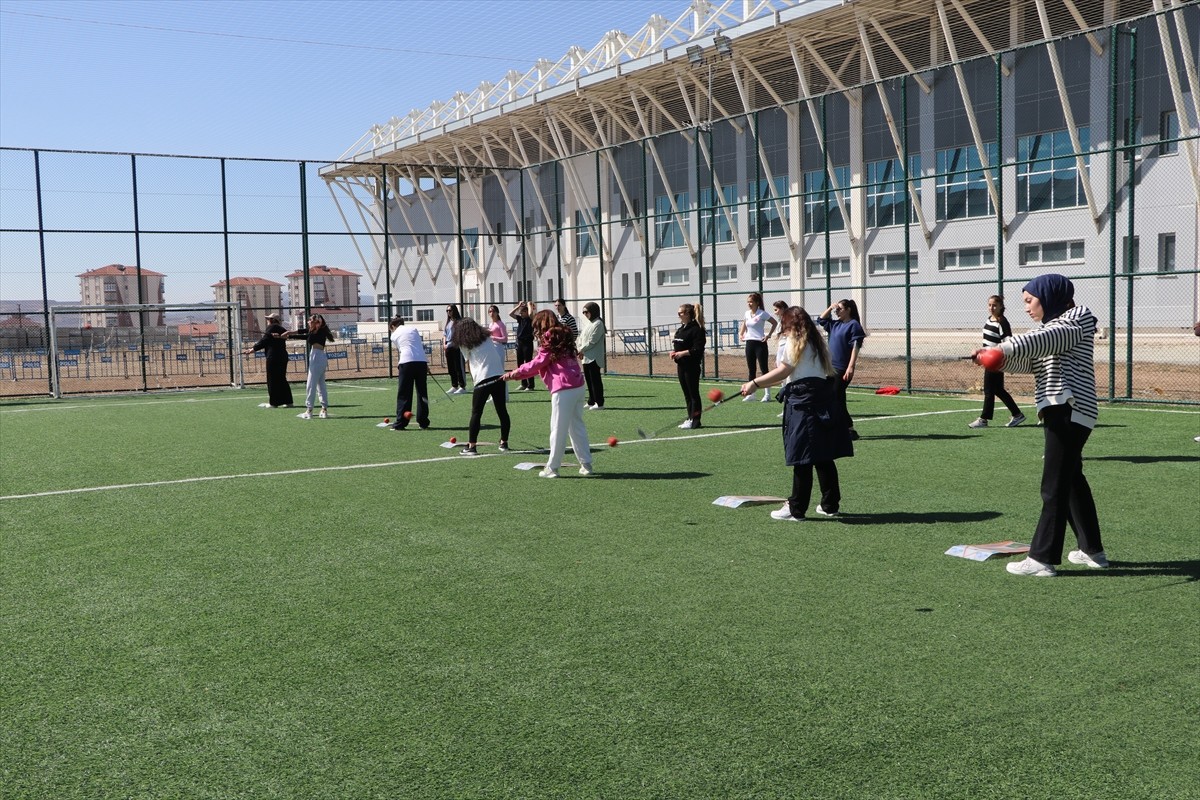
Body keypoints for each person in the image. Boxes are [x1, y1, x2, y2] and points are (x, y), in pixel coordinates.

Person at [973, 274, 1107, 577]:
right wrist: (994, 361)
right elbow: (1031, 361)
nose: (1026, 308)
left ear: (1048, 297)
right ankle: (1092, 551)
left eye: (1030, 301)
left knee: (1054, 486)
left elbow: (1041, 340)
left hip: (1068, 409)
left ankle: (1042, 559)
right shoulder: (1052, 329)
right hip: (1064, 411)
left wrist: (1003, 347)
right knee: (1071, 480)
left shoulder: (1076, 319)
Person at [740, 306, 852, 522]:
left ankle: (796, 508)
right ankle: (830, 505)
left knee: (803, 455)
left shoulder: (792, 341)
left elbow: (784, 371)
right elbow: (788, 376)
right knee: (823, 455)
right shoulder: (816, 342)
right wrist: (758, 385)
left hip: (804, 401)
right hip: (821, 398)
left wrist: (755, 382)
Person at [502, 310, 592, 478]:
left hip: (564, 388)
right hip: (578, 385)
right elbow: (540, 366)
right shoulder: (564, 333)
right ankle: (586, 464)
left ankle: (552, 468)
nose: (536, 330)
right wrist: (517, 375)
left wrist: (515, 373)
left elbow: (537, 363)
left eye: (537, 326)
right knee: (576, 426)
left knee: (558, 429)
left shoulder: (550, 335)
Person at [451, 317, 511, 455]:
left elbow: (468, 363)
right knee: (502, 411)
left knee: (476, 413)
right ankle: (504, 443)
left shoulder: (465, 344)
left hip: (483, 379)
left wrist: (475, 381)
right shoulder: (486, 337)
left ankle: (471, 446)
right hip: (499, 377)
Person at [968, 295, 1026, 429]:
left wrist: (1008, 361)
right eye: (989, 305)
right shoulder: (989, 320)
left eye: (994, 305)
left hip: (997, 361)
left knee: (989, 389)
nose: (991, 308)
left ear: (1001, 306)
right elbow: (988, 342)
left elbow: (1008, 343)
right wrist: (982, 353)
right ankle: (1017, 414)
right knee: (998, 389)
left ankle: (983, 419)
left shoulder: (1002, 322)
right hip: (989, 359)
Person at [817, 298, 866, 440]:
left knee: (835, 397)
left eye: (840, 309)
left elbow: (855, 347)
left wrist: (850, 367)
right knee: (837, 398)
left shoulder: (853, 325)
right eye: (836, 309)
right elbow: (821, 320)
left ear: (848, 310)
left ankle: (847, 428)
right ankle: (847, 429)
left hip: (842, 368)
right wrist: (830, 308)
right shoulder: (835, 324)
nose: (837, 311)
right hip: (830, 367)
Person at [285, 313, 335, 419]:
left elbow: (306, 336)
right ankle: (324, 410)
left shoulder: (316, 331)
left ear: (316, 322)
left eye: (310, 320)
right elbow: (303, 331)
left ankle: (309, 410)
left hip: (316, 358)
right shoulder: (318, 330)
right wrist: (288, 333)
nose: (308, 321)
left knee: (310, 385)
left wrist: (289, 336)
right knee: (321, 385)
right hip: (320, 357)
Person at [242, 311, 292, 408]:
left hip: (273, 357)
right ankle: (288, 401)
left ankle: (273, 403)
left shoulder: (271, 327)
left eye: (268, 319)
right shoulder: (282, 329)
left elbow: (264, 341)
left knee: (272, 379)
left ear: (273, 320)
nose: (267, 321)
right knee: (282, 379)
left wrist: (252, 349)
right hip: (283, 357)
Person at [388, 316, 430, 431]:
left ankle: (400, 423)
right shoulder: (413, 329)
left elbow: (402, 350)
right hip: (421, 362)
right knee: (422, 392)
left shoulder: (394, 335)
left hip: (406, 363)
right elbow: (417, 346)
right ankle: (423, 422)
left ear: (392, 326)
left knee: (404, 393)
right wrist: (425, 363)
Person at [670, 302, 707, 429]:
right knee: (687, 395)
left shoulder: (697, 329)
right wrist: (674, 353)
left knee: (693, 394)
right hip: (681, 366)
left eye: (680, 313)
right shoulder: (681, 329)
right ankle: (689, 418)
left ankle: (695, 420)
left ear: (687, 314)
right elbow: (678, 343)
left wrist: (683, 353)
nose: (678, 315)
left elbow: (697, 349)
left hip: (691, 367)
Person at [740, 292, 778, 402]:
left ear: (757, 302)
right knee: (751, 369)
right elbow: (744, 323)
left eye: (751, 302)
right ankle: (751, 394)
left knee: (764, 369)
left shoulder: (762, 313)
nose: (749, 304)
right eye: (748, 302)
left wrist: (768, 335)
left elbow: (774, 323)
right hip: (749, 343)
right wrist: (741, 333)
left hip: (760, 344)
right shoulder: (747, 313)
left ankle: (767, 394)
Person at [577, 301, 606, 410]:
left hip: (594, 357)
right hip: (586, 357)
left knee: (595, 380)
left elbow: (592, 341)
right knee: (588, 380)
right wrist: (579, 349)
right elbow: (581, 338)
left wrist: (581, 350)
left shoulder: (598, 323)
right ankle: (591, 401)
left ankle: (599, 403)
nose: (585, 314)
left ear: (593, 311)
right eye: (583, 312)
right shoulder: (589, 323)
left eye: (587, 312)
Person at [510, 300, 536, 391]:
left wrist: (529, 305)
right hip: (520, 343)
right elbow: (511, 314)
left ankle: (531, 385)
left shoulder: (530, 319)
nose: (520, 314)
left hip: (527, 343)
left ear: (526, 312)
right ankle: (523, 383)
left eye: (522, 312)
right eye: (520, 312)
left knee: (528, 363)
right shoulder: (520, 319)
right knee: (520, 364)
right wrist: (518, 306)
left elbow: (530, 313)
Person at [443, 304, 467, 394]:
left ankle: (462, 386)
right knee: (451, 368)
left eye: (450, 310)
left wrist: (450, 344)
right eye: (447, 311)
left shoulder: (459, 322)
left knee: (458, 367)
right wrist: (444, 344)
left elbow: (458, 336)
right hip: (448, 347)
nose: (448, 312)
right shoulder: (448, 322)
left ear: (454, 311)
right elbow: (445, 334)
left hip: (456, 347)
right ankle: (454, 385)